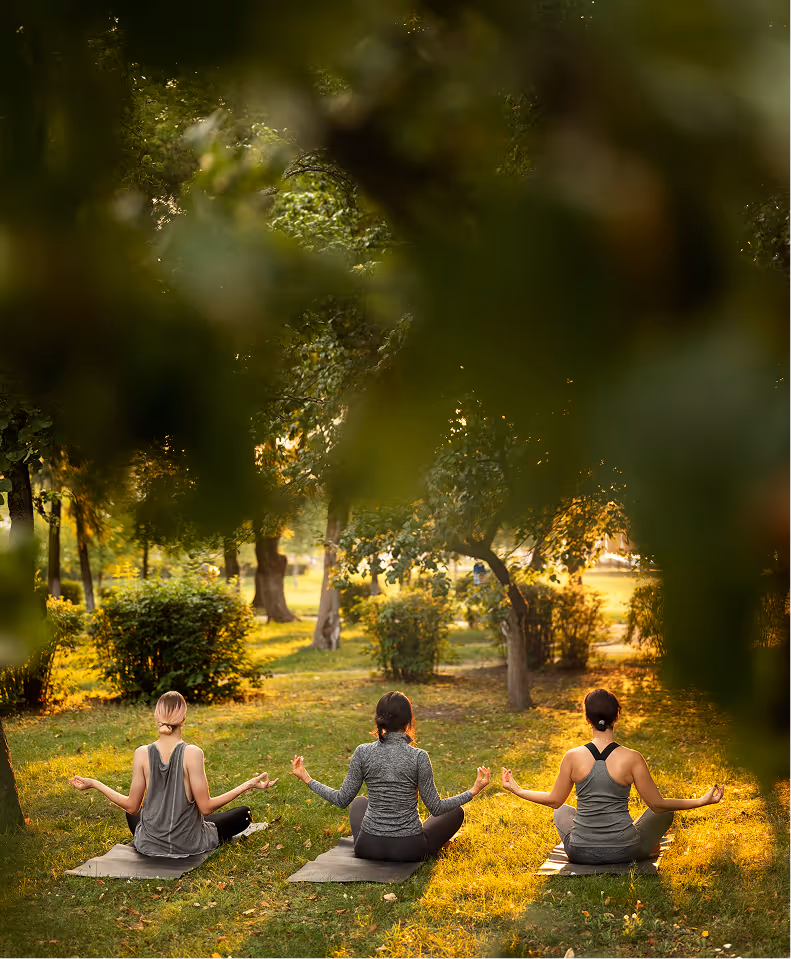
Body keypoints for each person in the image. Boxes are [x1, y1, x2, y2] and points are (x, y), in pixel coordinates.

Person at [501, 687, 725, 865]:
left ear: (587, 719)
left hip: (580, 853)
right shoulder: (632, 758)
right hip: (626, 850)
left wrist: (517, 789)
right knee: (664, 813)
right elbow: (657, 805)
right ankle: (645, 850)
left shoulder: (572, 756)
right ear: (616, 716)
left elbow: (554, 800)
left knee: (561, 810)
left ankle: (628, 844)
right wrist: (702, 800)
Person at [69, 690, 278, 857]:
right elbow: (205, 807)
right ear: (184, 718)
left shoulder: (142, 753)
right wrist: (247, 785)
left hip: (148, 844)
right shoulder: (193, 753)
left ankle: (161, 834)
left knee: (135, 812)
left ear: (157, 718)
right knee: (244, 814)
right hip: (188, 844)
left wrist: (95, 783)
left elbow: (132, 807)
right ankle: (193, 829)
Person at [290, 690, 491, 861]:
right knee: (456, 812)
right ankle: (424, 845)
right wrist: (473, 791)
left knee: (358, 802)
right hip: (409, 849)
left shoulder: (363, 752)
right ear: (409, 721)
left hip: (367, 848)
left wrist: (307, 779)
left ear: (380, 720)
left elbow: (341, 799)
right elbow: (436, 808)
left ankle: (374, 840)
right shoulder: (419, 757)